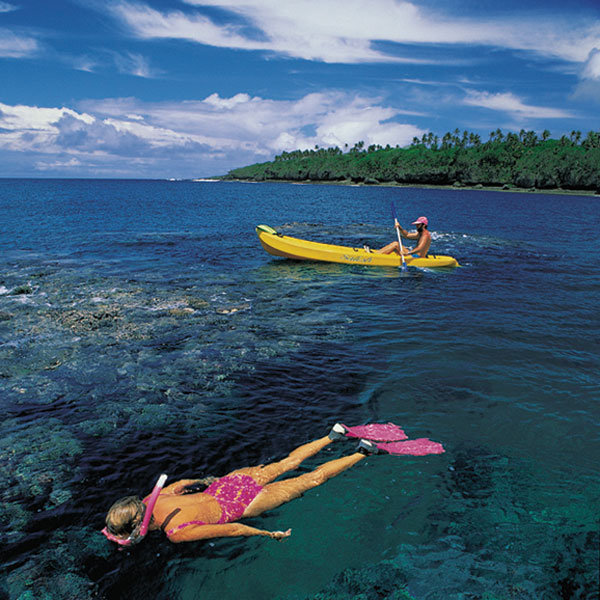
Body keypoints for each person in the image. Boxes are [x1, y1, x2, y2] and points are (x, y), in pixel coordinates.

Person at [104, 425, 381, 544]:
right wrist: (206, 481)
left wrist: (269, 535)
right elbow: (184, 483)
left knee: (312, 479)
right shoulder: (152, 496)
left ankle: (363, 452)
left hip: (242, 505)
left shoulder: (175, 533)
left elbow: (234, 528)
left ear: (138, 529)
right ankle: (333, 435)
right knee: (286, 464)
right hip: (227, 485)